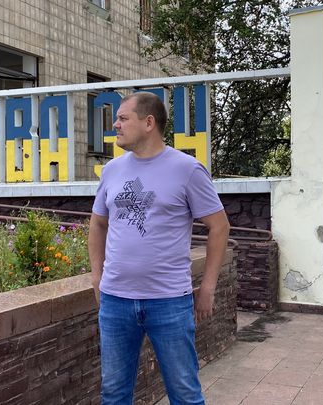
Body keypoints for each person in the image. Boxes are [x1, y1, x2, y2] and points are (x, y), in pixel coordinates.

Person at [88, 92, 230, 405]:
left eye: (124, 118)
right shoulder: (112, 170)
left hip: (169, 301)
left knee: (184, 394)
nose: (116, 124)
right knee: (113, 393)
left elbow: (219, 226)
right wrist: (96, 276)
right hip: (115, 302)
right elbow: (97, 224)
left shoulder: (187, 170)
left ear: (149, 122)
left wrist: (207, 288)